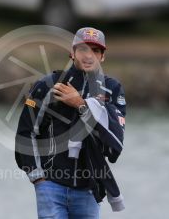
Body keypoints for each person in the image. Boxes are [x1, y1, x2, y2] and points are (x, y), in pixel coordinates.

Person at [15, 27, 127, 218]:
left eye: (95, 50)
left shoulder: (112, 89)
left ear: (102, 57)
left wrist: (81, 105)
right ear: (72, 52)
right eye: (83, 49)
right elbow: (26, 132)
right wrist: (37, 177)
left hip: (89, 189)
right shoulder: (48, 84)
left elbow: (115, 143)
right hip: (50, 184)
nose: (88, 55)